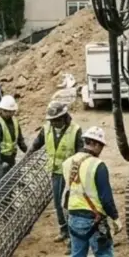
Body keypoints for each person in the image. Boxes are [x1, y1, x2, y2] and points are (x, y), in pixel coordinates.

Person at [63, 127, 129, 257]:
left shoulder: (68, 162)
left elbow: (66, 192)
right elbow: (105, 197)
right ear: (97, 144)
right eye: (101, 145)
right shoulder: (97, 166)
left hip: (74, 218)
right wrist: (115, 218)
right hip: (94, 220)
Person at [30, 100, 82, 241]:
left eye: (56, 120)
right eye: (51, 121)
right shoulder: (47, 128)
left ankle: (73, 235)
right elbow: (37, 142)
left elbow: (81, 152)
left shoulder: (75, 130)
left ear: (64, 117)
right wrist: (29, 153)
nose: (53, 123)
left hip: (71, 173)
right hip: (55, 172)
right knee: (58, 203)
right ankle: (63, 230)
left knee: (70, 204)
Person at [0, 95, 27, 183]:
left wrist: (27, 151)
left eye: (12, 112)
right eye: (8, 112)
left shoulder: (14, 120)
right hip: (0, 159)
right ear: (1, 110)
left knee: (10, 181)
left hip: (11, 157)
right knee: (0, 184)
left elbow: (20, 139)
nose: (10, 114)